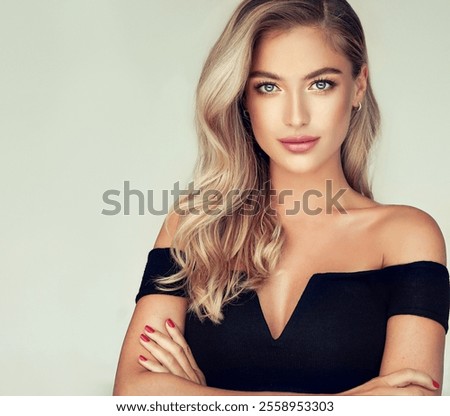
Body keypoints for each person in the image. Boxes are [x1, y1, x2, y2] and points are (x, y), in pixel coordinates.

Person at [113, 0, 449, 395]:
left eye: (320, 83)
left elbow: (408, 404)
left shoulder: (406, 236)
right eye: (268, 87)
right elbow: (133, 394)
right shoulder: (194, 225)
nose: (295, 116)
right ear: (243, 98)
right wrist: (343, 403)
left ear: (358, 86)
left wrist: (199, 398)